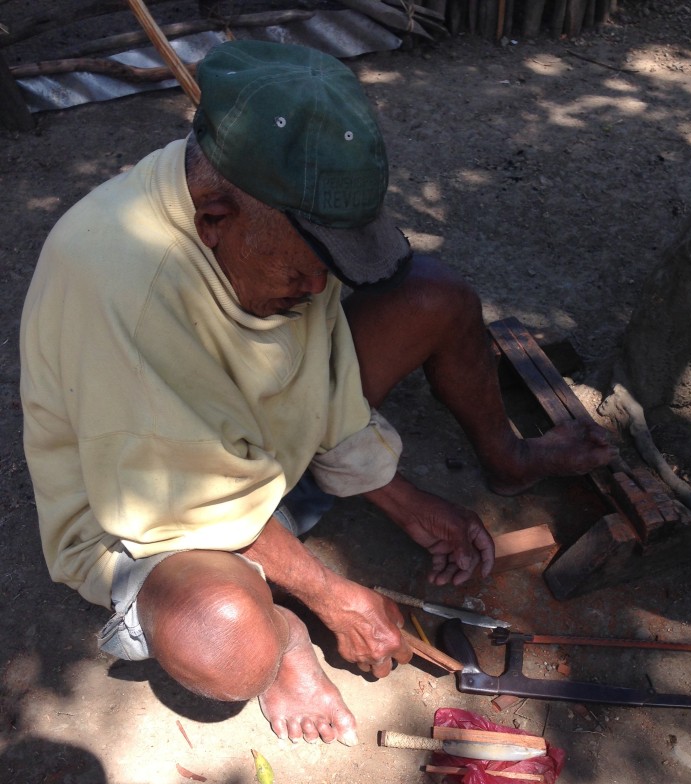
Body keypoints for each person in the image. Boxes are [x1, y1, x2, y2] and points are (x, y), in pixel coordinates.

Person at [20, 40, 616, 747]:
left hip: (248, 448)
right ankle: (285, 638)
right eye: (298, 274)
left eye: (326, 269)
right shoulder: (125, 289)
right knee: (222, 637)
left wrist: (399, 497)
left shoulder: (274, 231)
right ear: (213, 218)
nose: (315, 292)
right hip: (153, 510)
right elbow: (196, 507)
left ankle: (508, 457)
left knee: (436, 297)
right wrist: (333, 600)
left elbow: (314, 369)